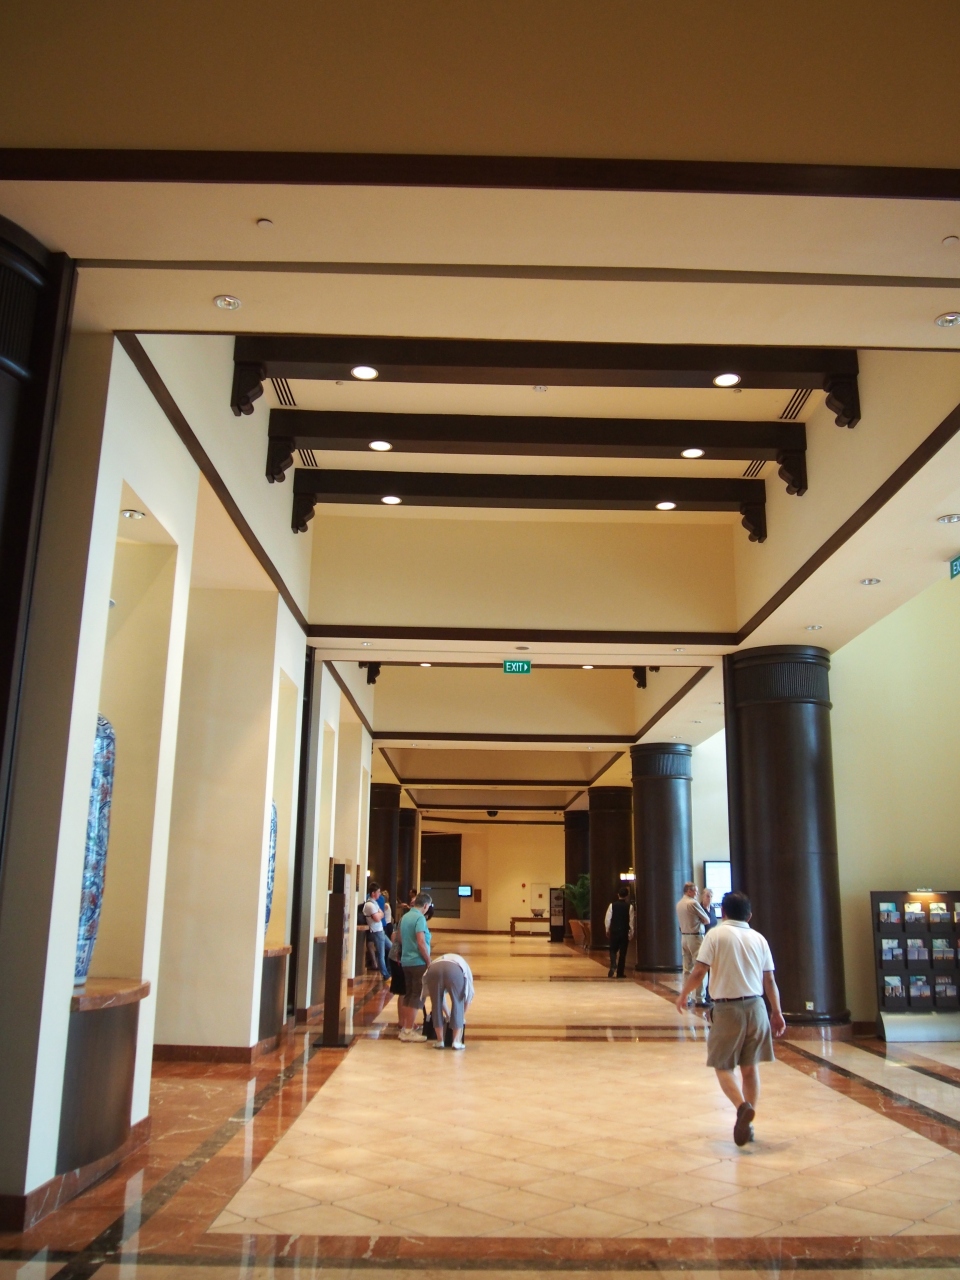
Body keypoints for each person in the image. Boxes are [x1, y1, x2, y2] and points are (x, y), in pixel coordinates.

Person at [675, 890, 786, 1147]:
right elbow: (769, 980)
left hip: (728, 1009)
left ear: (722, 912)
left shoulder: (716, 934)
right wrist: (777, 1012)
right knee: (750, 1068)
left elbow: (699, 971)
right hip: (757, 1007)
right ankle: (748, 1124)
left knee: (722, 1065)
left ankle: (742, 1107)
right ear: (749, 915)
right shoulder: (759, 939)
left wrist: (683, 994)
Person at [397, 891, 432, 1041]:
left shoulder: (405, 917)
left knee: (409, 994)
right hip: (418, 962)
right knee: (417, 996)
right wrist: (428, 961)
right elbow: (421, 942)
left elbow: (399, 937)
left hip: (406, 961)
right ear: (425, 905)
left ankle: (405, 1028)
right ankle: (408, 1031)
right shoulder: (419, 918)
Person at [424, 952, 474, 1050]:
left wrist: (448, 1015)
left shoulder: (443, 959)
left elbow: (440, 999)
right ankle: (456, 1041)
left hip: (433, 969)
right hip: (455, 971)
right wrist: (460, 1017)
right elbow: (468, 997)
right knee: (457, 1002)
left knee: (436, 1004)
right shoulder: (466, 970)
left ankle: (440, 1041)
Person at [676, 881, 710, 1006]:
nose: (697, 893)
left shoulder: (679, 903)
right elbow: (707, 919)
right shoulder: (693, 903)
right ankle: (700, 998)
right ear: (689, 891)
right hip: (696, 937)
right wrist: (699, 920)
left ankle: (687, 996)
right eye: (695, 891)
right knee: (700, 966)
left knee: (687, 968)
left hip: (684, 937)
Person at [604, 885, 635, 978]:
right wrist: (631, 932)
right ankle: (620, 973)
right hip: (624, 932)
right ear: (627, 896)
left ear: (618, 895)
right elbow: (631, 921)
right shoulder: (630, 907)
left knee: (612, 949)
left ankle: (613, 964)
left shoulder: (612, 905)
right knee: (623, 953)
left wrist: (607, 929)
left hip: (614, 931)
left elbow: (607, 919)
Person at [363, 882, 390, 979]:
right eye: (378, 892)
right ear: (373, 893)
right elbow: (378, 918)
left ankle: (389, 970)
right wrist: (379, 914)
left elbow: (381, 913)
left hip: (380, 930)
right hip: (376, 931)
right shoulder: (370, 905)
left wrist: (379, 914)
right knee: (381, 954)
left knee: (391, 948)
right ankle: (385, 974)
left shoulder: (374, 903)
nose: (379, 894)